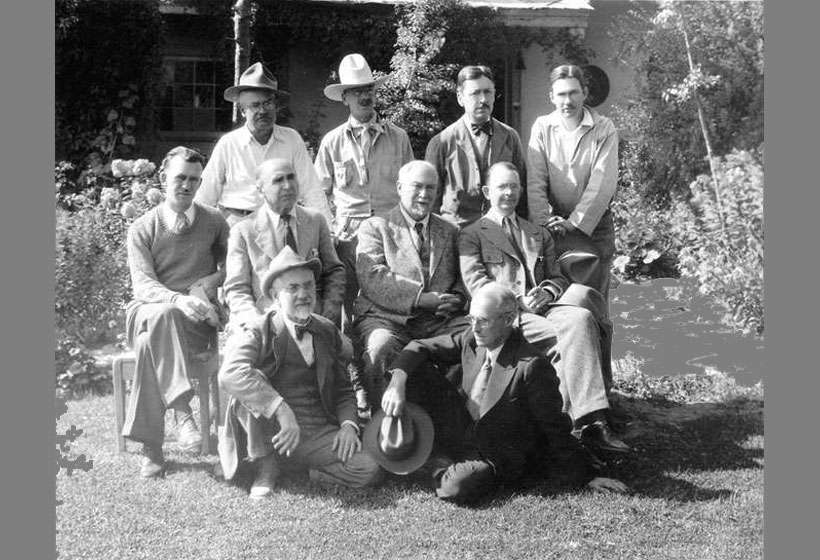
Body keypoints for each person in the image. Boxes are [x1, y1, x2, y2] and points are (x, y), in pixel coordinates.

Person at [381, 282, 628, 504]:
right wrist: (397, 381)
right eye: (472, 319)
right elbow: (418, 346)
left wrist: (586, 476)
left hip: (494, 453)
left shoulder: (530, 366)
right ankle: (432, 456)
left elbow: (554, 428)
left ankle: (431, 463)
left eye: (483, 321)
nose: (475, 327)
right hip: (462, 428)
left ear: (509, 318)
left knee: (456, 488)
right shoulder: (472, 338)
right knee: (413, 369)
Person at [459, 162, 627, 452]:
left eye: (514, 186)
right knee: (568, 334)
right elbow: (477, 286)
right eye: (502, 187)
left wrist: (547, 294)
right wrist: (518, 300)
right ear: (487, 192)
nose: (509, 193)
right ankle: (583, 426)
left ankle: (588, 421)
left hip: (544, 308)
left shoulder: (536, 232)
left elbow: (557, 277)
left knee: (581, 317)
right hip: (507, 316)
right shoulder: (472, 235)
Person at [218, 247, 383, 499]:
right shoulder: (258, 329)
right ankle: (266, 466)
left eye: (308, 286)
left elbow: (343, 387)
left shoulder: (326, 330)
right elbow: (230, 373)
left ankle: (302, 470)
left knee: (370, 467)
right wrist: (282, 410)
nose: (303, 294)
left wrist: (349, 425)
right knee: (251, 381)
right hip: (273, 433)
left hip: (317, 431)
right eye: (292, 288)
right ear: (275, 296)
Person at [122, 146, 230, 478]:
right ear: (163, 178)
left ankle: (151, 450)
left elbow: (234, 265)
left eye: (194, 180)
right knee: (161, 316)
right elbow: (142, 284)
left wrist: (208, 284)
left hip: (195, 321)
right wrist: (177, 299)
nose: (186, 185)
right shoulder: (142, 227)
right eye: (180, 177)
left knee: (146, 348)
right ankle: (183, 412)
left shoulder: (213, 221)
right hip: (148, 313)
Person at [353, 160, 470, 409]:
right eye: (417, 187)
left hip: (439, 321)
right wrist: (420, 298)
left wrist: (456, 299)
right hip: (388, 318)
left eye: (430, 188)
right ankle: (385, 431)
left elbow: (463, 277)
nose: (424, 194)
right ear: (399, 187)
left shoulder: (450, 230)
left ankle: (460, 426)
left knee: (476, 337)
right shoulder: (375, 227)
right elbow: (373, 277)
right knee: (380, 347)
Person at [314, 53, 414, 328]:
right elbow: (317, 193)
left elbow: (410, 189)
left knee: (389, 299)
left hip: (390, 231)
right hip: (349, 236)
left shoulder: (398, 137)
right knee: (345, 303)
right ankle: (349, 362)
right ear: (345, 97)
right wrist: (331, 230)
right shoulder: (332, 141)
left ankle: (383, 359)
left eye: (368, 90)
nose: (364, 97)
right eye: (356, 92)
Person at [194, 62, 332, 227]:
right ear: (242, 110)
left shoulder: (291, 139)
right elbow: (206, 194)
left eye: (267, 103)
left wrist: (327, 229)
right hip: (236, 225)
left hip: (281, 226)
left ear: (276, 106)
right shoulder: (229, 144)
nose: (262, 111)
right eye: (255, 105)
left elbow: (311, 189)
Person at [527, 64, 619, 310]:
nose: (567, 100)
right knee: (556, 303)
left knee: (593, 304)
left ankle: (599, 348)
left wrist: (575, 222)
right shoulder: (542, 127)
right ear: (551, 97)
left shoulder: (603, 128)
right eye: (561, 94)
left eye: (573, 93)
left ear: (584, 93)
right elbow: (535, 180)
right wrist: (543, 222)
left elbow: (603, 182)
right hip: (552, 229)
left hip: (593, 228)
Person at [223, 158, 345, 329]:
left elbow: (334, 271)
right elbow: (236, 288)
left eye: (291, 177)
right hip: (266, 319)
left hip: (314, 317)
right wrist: (256, 323)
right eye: (278, 180)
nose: (288, 186)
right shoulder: (244, 231)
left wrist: (329, 310)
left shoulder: (316, 220)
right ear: (261, 190)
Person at [425, 65, 527, 229]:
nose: (483, 100)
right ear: (460, 98)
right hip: (456, 236)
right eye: (475, 93)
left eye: (488, 92)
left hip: (501, 234)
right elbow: (431, 201)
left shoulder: (510, 137)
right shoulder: (441, 142)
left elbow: (522, 193)